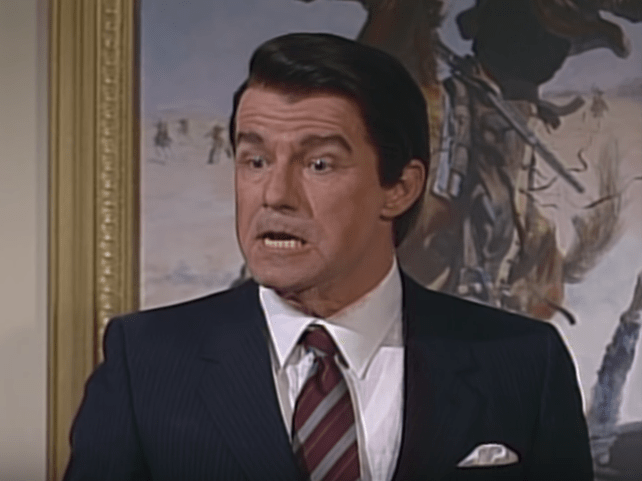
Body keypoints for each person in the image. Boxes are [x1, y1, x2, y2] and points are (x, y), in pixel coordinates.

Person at [64, 33, 592, 480]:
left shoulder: (523, 363)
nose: (274, 195)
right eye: (255, 160)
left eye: (318, 164)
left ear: (399, 188)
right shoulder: (146, 361)